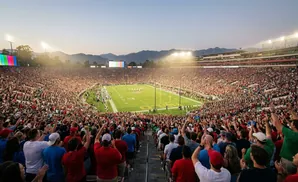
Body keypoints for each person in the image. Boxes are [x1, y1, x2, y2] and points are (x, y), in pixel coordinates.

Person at [271, 105, 298, 175]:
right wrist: (291, 110)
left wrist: (272, 112)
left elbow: (277, 124)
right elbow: (296, 120)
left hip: (288, 161)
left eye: (291, 123)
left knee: (286, 177)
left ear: (294, 126)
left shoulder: (292, 134)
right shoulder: (294, 133)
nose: (290, 124)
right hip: (294, 161)